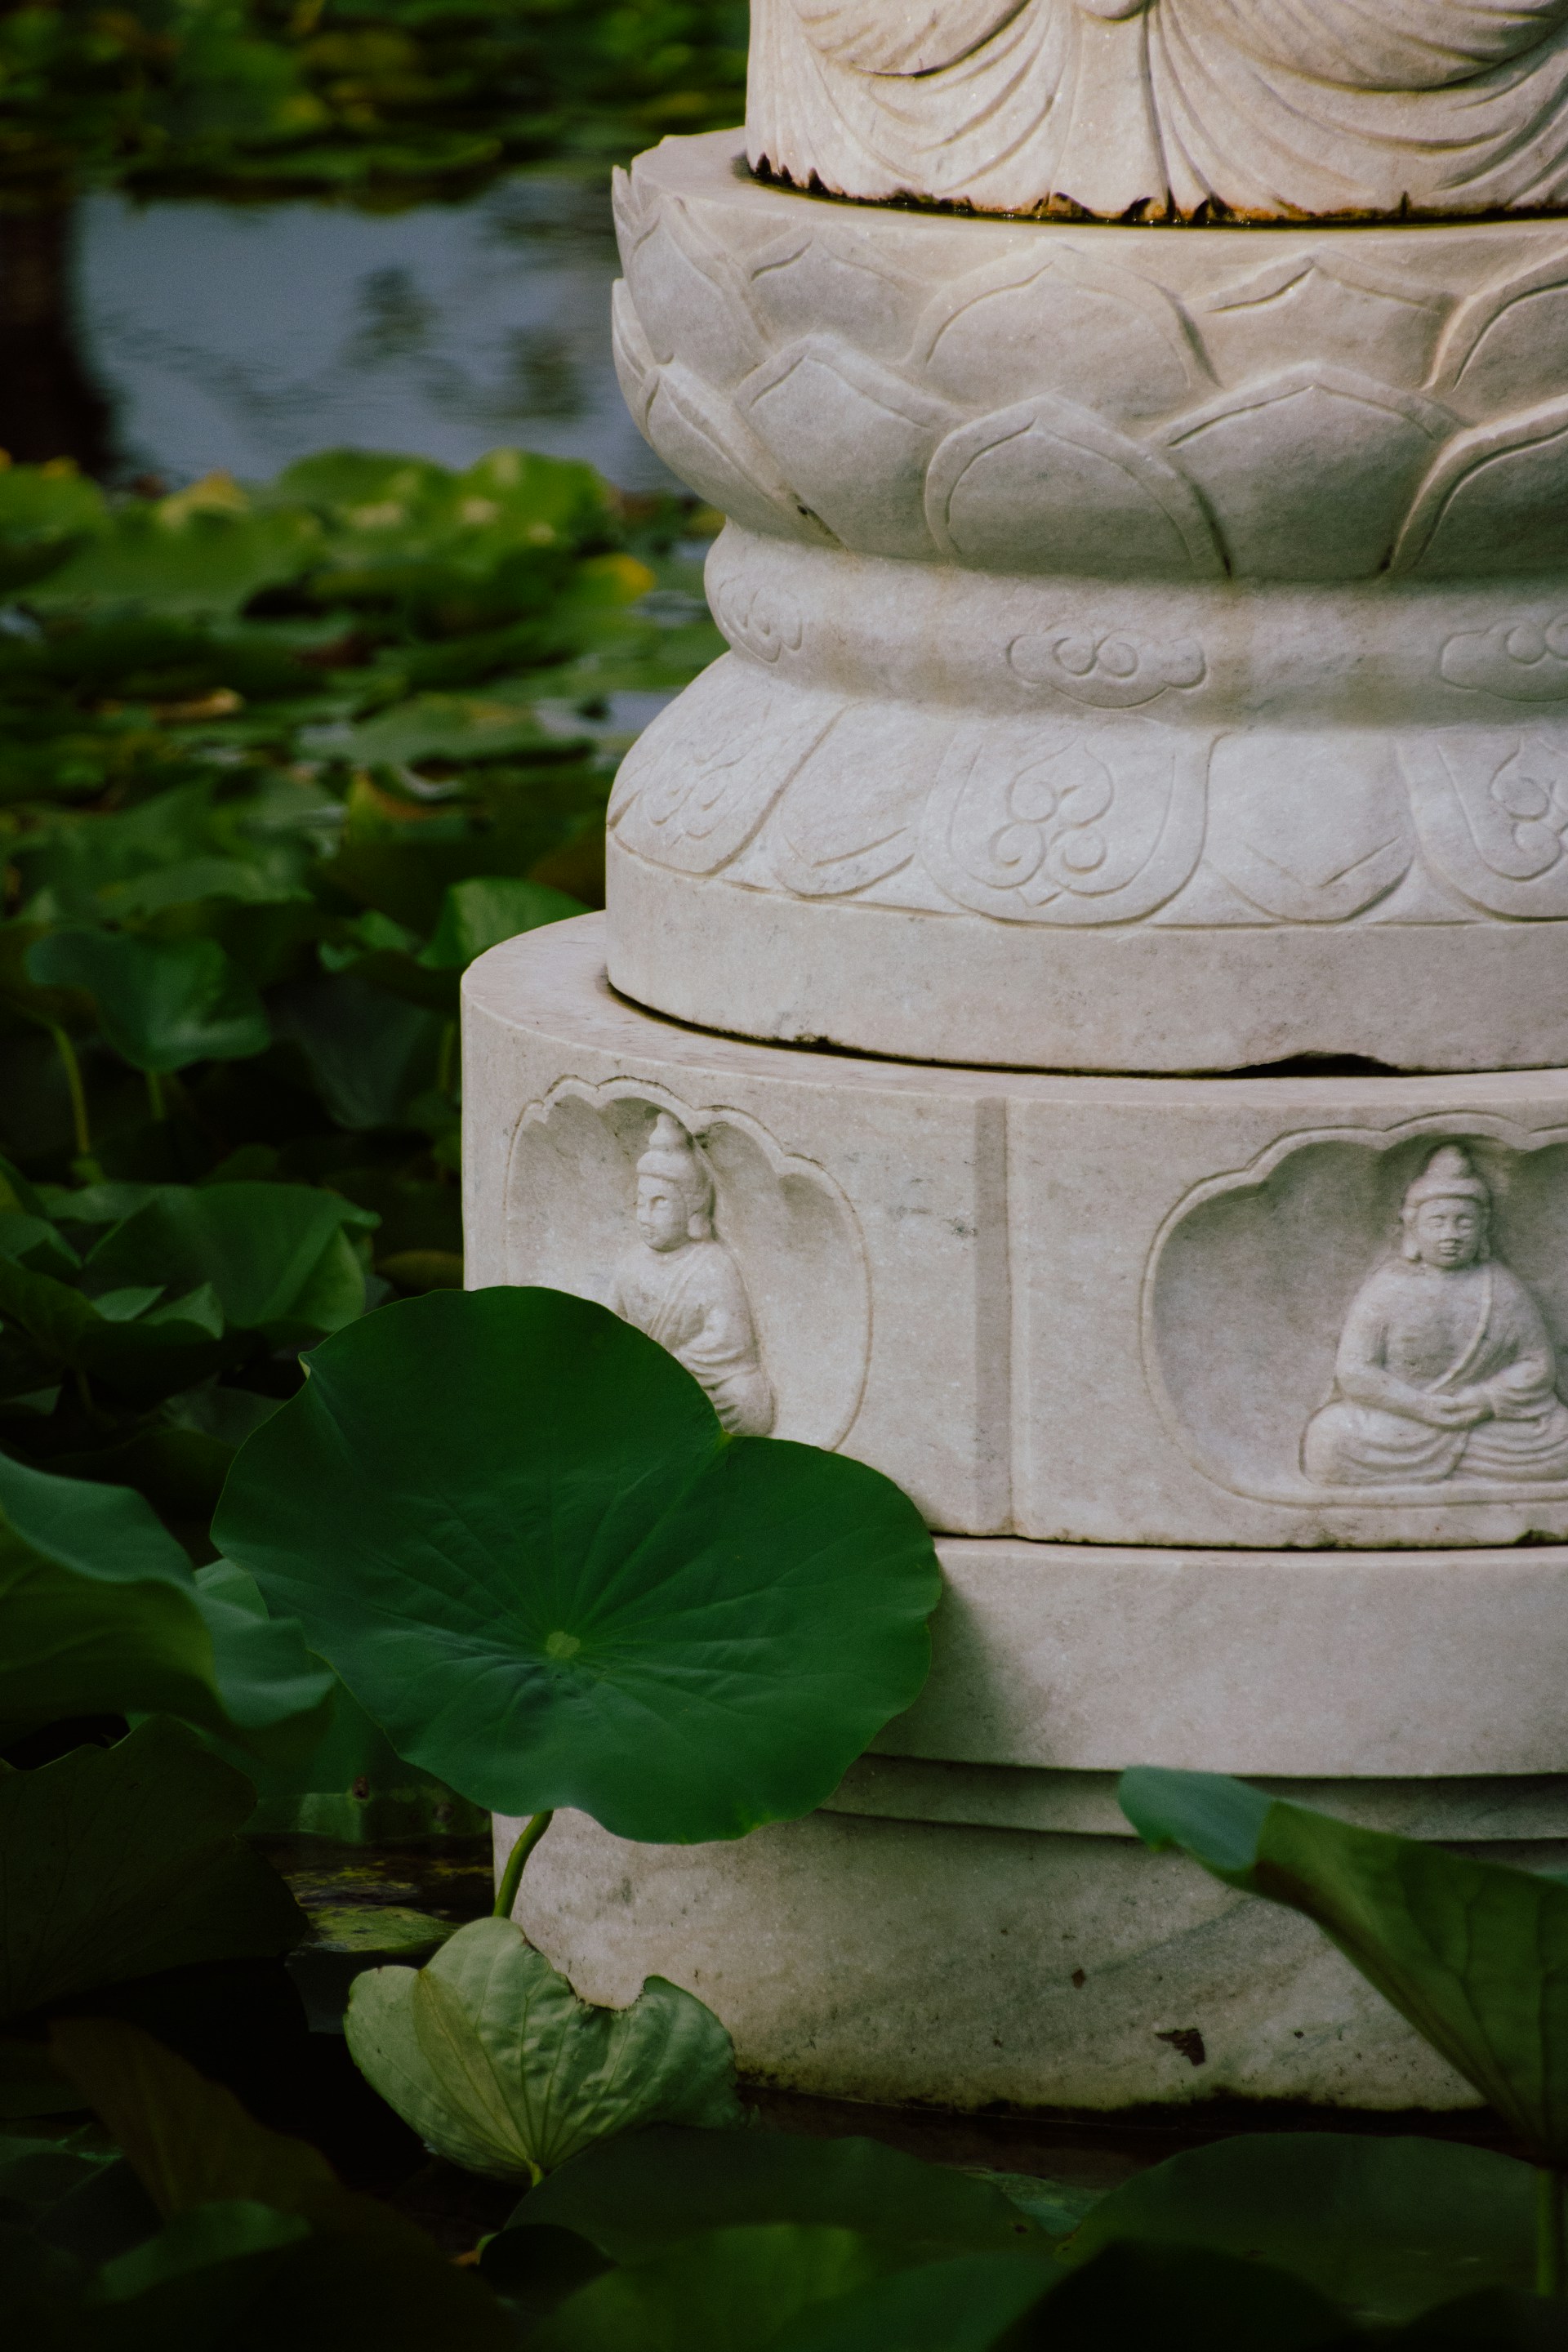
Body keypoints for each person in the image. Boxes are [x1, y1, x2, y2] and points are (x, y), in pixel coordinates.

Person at [1303, 1144, 1568, 1487]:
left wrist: (1484, 1401)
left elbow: (1538, 1365)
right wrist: (1421, 1407)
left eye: (1464, 1222)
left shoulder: (1501, 1286)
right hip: (1402, 1423)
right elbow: (1355, 1370)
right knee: (1329, 1440)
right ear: (1413, 1228)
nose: (1451, 1235)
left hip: (1486, 1427)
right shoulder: (1388, 1287)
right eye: (1437, 1222)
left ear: (1482, 1227)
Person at [612, 1113, 775, 1437]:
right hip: (647, 1377)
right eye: (641, 1203)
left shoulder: (713, 1263)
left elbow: (729, 1340)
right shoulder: (631, 1262)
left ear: (692, 1210)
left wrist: (672, 1367)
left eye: (660, 1204)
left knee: (747, 1399)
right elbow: (611, 1322)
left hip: (698, 1380)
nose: (646, 1216)